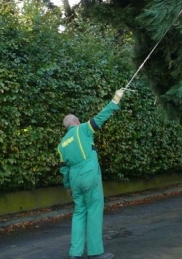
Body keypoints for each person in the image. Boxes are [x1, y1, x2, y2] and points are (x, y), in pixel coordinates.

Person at [58, 89, 125, 259]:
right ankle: (95, 252)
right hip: (89, 176)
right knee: (94, 211)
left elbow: (64, 168)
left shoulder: (62, 144)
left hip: (74, 180)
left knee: (79, 213)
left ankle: (75, 253)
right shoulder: (83, 130)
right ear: (77, 121)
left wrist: (68, 187)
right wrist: (115, 100)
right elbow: (100, 118)